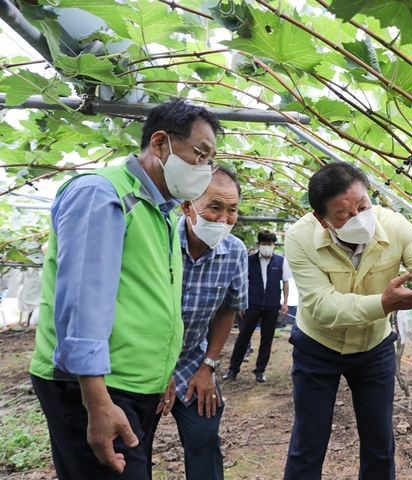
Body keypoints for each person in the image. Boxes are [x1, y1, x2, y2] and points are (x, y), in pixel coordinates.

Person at [29, 98, 223, 480]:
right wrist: (97, 401)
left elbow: (146, 297)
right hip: (98, 386)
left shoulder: (162, 210)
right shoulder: (102, 193)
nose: (205, 168)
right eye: (201, 154)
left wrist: (162, 367)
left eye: (210, 160)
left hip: (131, 383)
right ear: (160, 143)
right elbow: (84, 301)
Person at [282, 161, 412, 480]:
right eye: (343, 214)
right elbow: (321, 305)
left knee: (379, 443)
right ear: (321, 218)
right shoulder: (299, 237)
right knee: (309, 442)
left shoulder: (395, 226)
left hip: (374, 349)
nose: (358, 217)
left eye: (363, 205)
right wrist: (383, 304)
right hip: (318, 347)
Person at [152, 167, 248, 480]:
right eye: (214, 207)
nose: (223, 218)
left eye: (231, 209)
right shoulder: (157, 241)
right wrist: (157, 369)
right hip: (144, 357)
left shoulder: (234, 252)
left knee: (204, 432)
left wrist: (208, 367)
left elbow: (227, 310)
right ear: (186, 206)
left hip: (193, 358)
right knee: (133, 439)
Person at [223, 231, 292, 383]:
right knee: (243, 337)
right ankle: (233, 370)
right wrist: (241, 303)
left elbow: (286, 282)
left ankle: (260, 371)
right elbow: (242, 281)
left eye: (270, 244)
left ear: (274, 245)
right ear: (259, 245)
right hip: (251, 304)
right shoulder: (249, 260)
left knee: (266, 339)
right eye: (264, 244)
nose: (267, 247)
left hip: (272, 305)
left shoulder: (281, 261)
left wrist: (285, 302)